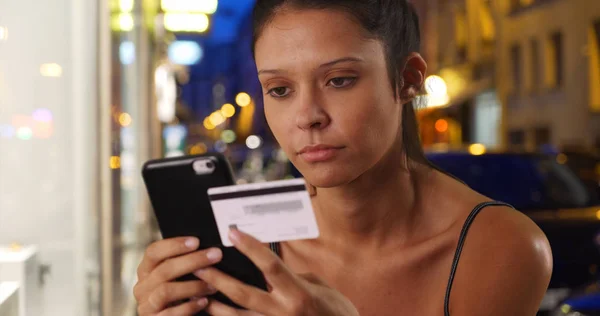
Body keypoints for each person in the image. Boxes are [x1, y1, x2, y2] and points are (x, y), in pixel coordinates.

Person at [133, 0, 553, 315]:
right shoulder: (244, 244)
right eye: (279, 89)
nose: (308, 117)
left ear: (408, 80)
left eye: (339, 80)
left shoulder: (499, 245)